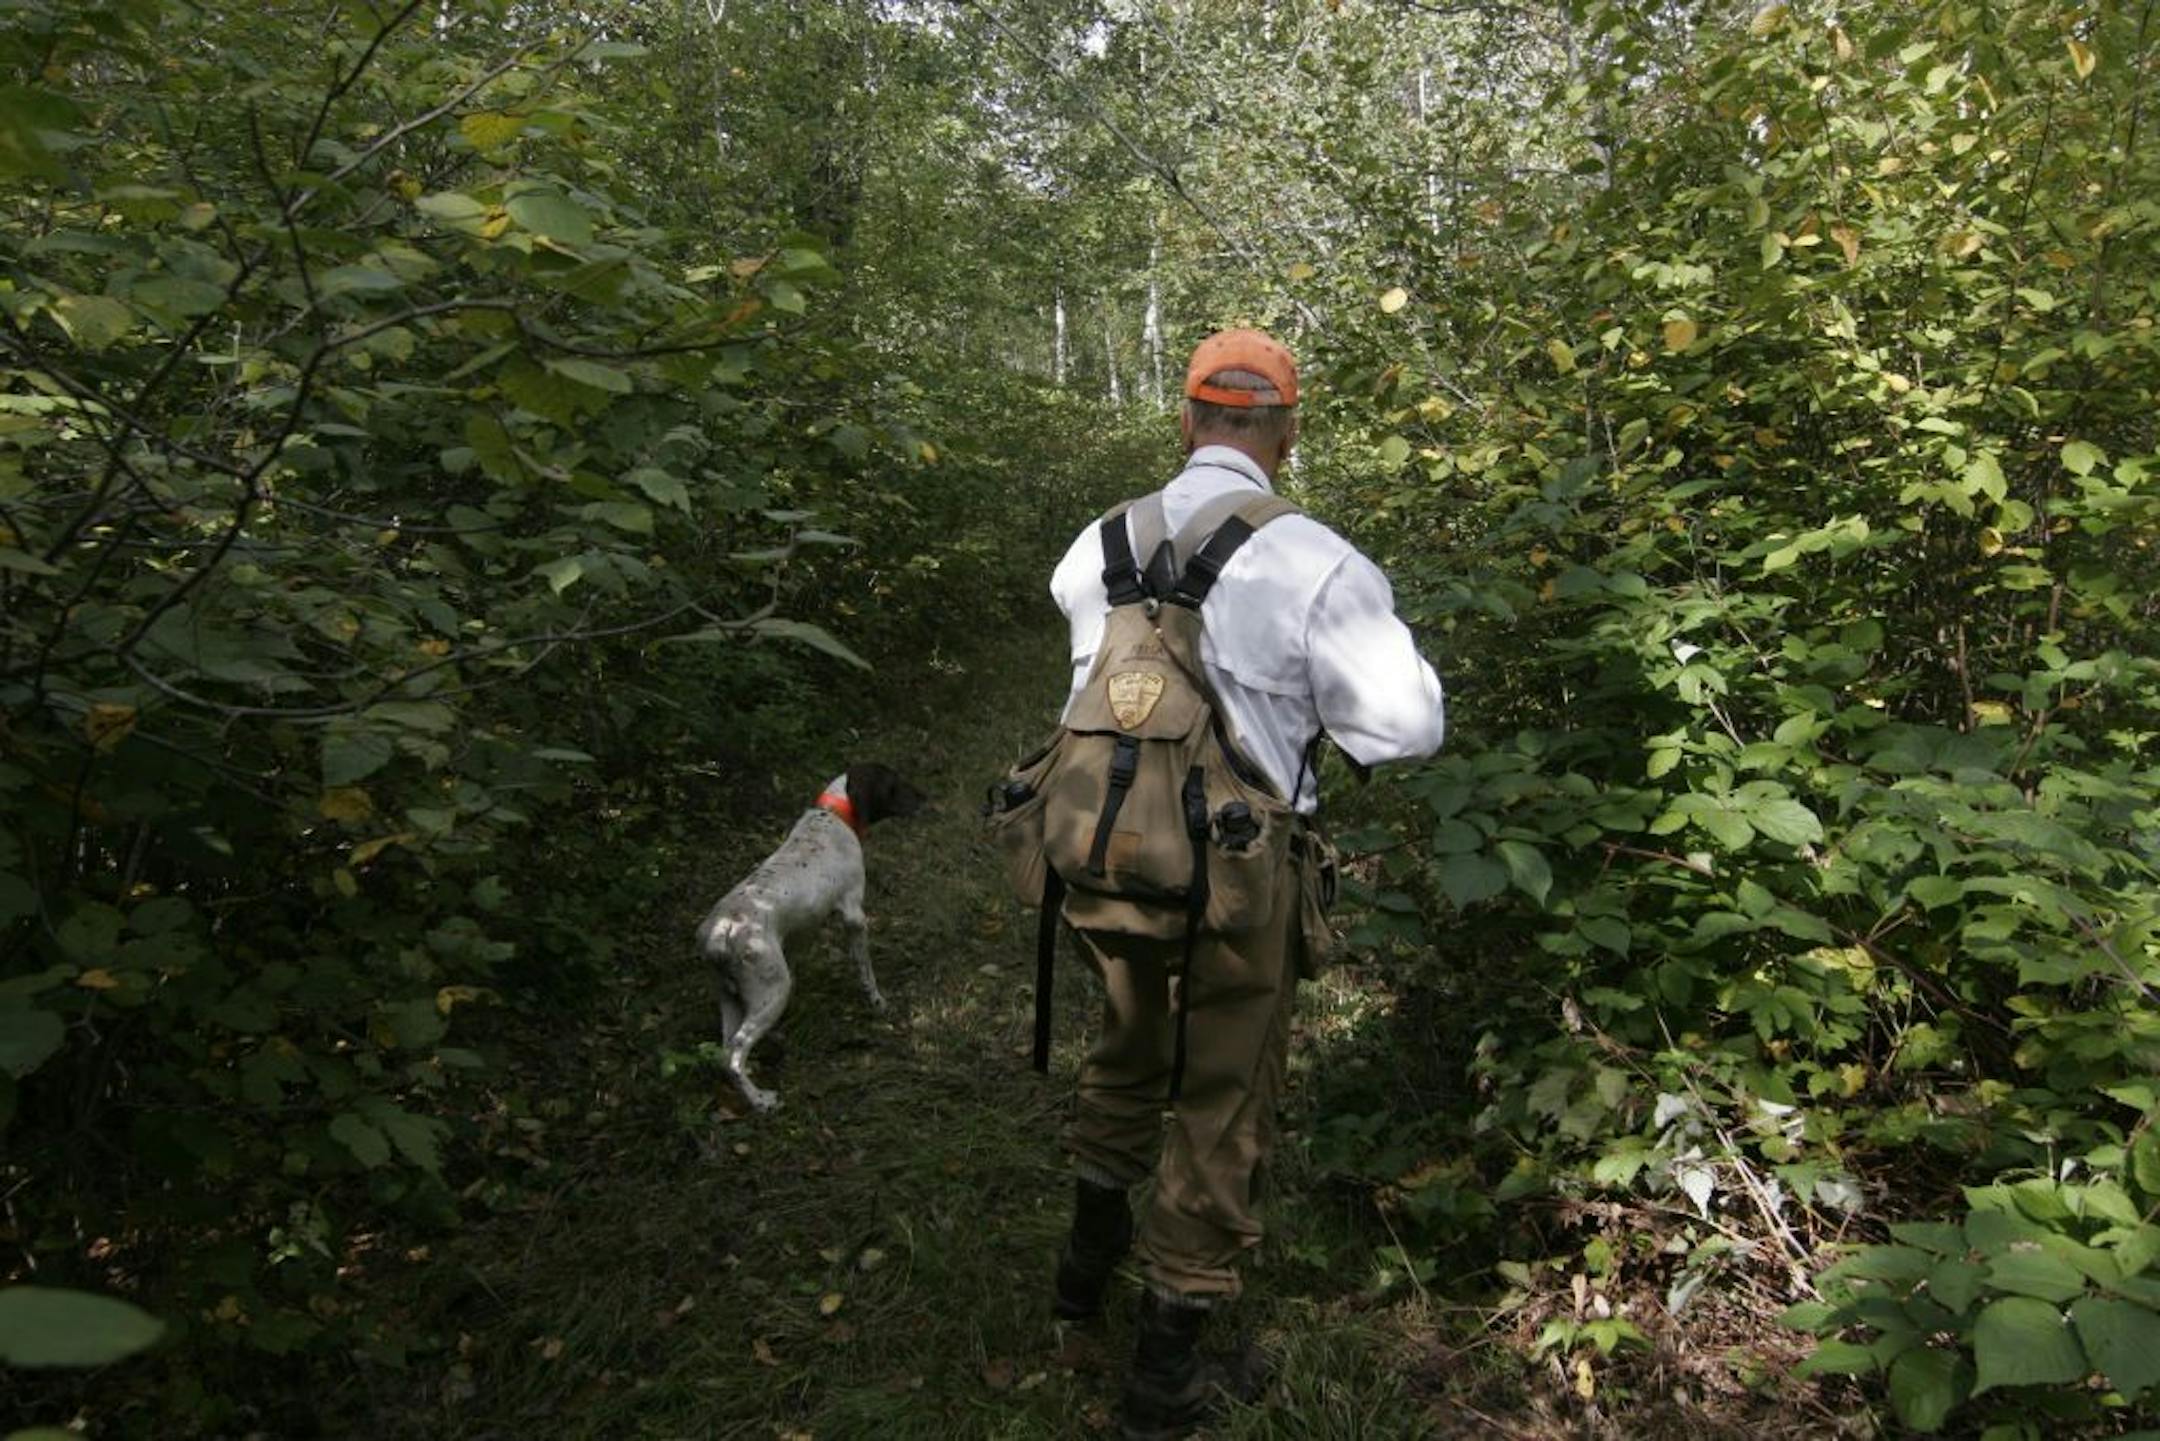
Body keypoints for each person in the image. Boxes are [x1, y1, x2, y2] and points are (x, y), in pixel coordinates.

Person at [1043, 328, 1447, 1437]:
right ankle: (1164, 1377)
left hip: (1105, 852)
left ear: (1185, 421)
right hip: (1236, 877)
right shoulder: (1316, 559)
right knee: (1220, 1103)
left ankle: (1082, 1275)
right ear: (1287, 431)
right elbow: (1407, 729)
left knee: (1124, 1046)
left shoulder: (1099, 542)